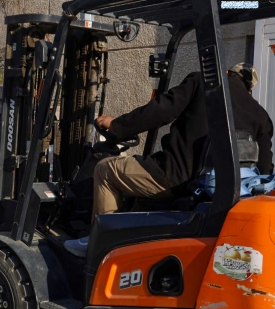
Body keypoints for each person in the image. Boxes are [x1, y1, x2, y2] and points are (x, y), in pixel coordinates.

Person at [64, 62, 274, 257]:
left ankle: (98, 244)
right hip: (212, 192)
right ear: (249, 89)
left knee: (105, 170)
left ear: (226, 73)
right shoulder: (261, 116)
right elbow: (265, 169)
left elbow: (159, 111)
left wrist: (118, 125)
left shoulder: (202, 82)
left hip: (173, 177)